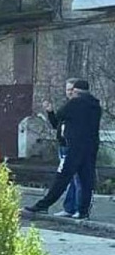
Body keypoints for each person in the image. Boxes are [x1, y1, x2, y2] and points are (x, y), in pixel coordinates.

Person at [24, 79, 101, 220]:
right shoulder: (96, 105)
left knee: (62, 178)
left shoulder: (74, 103)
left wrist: (52, 111)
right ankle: (83, 211)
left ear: (76, 91)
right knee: (86, 180)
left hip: (74, 148)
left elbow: (60, 115)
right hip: (90, 148)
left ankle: (43, 205)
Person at [43, 78, 82, 218]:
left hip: (73, 148)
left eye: (72, 90)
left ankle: (79, 209)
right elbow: (57, 126)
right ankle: (69, 208)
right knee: (69, 179)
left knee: (77, 179)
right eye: (68, 90)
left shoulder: (79, 107)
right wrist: (50, 112)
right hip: (63, 147)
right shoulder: (67, 106)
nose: (70, 92)